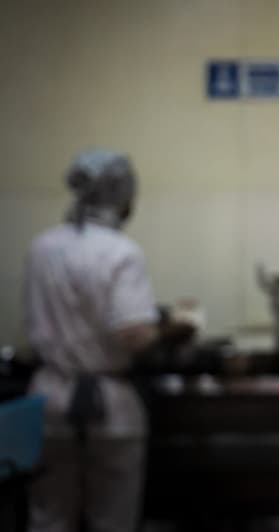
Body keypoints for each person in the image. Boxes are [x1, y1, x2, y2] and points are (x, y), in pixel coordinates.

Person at [23, 148, 193, 532]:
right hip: (109, 406)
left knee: (49, 515)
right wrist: (170, 330)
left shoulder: (42, 247)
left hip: (48, 399)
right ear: (122, 196)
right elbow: (133, 334)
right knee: (111, 518)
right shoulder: (120, 252)